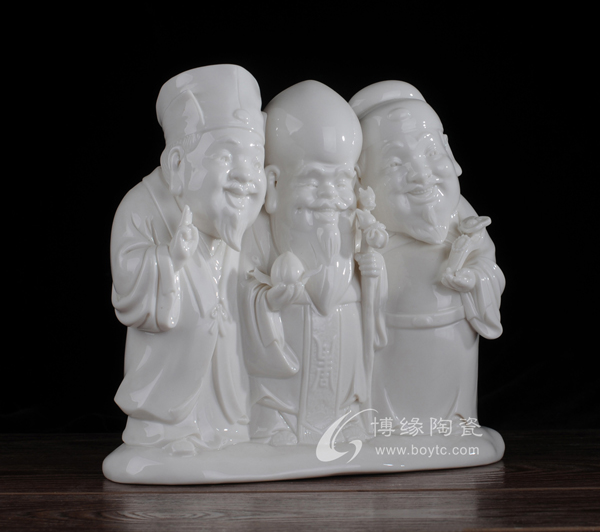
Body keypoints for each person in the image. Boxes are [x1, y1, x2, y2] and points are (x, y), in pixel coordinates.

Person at [110, 64, 267, 454]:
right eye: (227, 157)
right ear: (177, 164)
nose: (246, 176)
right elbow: (128, 282)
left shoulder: (236, 221)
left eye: (255, 161)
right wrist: (169, 260)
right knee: (172, 412)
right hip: (170, 363)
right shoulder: (142, 207)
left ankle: (227, 429)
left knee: (229, 400)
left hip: (225, 357)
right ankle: (167, 431)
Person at [350, 80, 505, 436]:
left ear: (450, 154)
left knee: (449, 406)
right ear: (363, 181)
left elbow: (488, 264)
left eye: (431, 153)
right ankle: (384, 431)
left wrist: (474, 279)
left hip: (453, 335)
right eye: (395, 163)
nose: (420, 173)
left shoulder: (462, 216)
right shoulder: (363, 229)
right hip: (391, 340)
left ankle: (454, 427)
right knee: (390, 410)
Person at [239, 80, 384, 445]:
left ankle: (347, 416)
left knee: (345, 392)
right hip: (285, 364)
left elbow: (374, 294)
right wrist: (268, 299)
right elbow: (240, 291)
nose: (330, 196)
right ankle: (275, 424)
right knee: (278, 405)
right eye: (313, 179)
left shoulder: (354, 226)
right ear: (273, 185)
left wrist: (373, 277)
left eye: (342, 181)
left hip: (343, 338)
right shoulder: (254, 231)